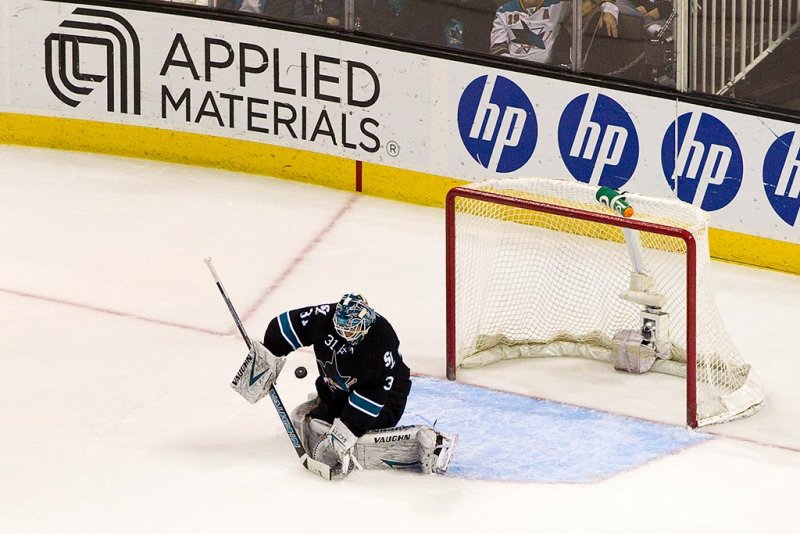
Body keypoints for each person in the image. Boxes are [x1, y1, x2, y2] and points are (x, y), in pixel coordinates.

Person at [251, 293, 455, 478]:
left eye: (352, 328)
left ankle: (425, 441)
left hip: (386, 394)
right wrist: (268, 357)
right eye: (342, 327)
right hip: (337, 390)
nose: (346, 333)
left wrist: (349, 428)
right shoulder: (325, 317)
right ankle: (329, 409)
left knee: (367, 430)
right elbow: (285, 326)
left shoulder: (381, 340)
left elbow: (374, 391)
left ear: (366, 323)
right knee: (323, 421)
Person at [490, 0, 619, 64]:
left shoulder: (558, 5)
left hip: (544, 72)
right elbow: (497, 47)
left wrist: (609, 9)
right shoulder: (504, 11)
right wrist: (511, 69)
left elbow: (589, 4)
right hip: (508, 70)